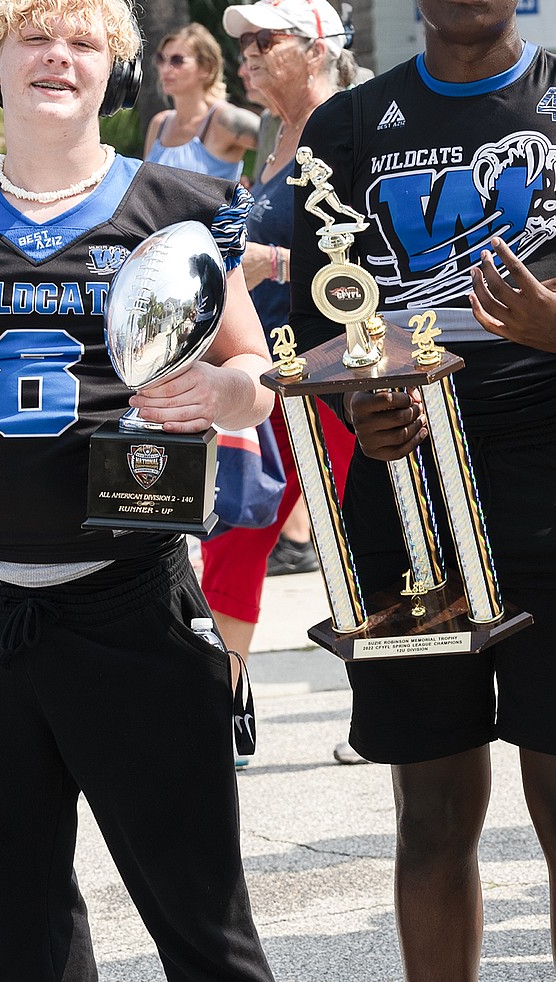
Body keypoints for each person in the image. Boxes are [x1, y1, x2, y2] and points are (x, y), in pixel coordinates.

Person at [0, 0, 292, 982]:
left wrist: (221, 393)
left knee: (196, 902)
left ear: (118, 70)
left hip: (131, 591)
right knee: (15, 911)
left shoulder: (177, 205)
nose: (60, 56)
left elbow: (260, 382)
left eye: (86, 41)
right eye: (36, 37)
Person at [288, 0, 556, 982]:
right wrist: (356, 405)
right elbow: (313, 329)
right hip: (403, 509)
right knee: (428, 815)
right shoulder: (341, 130)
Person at [201, 0, 359, 766]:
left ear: (319, 46)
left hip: (332, 373)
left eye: (266, 41)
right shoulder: (275, 139)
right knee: (235, 532)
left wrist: (274, 264)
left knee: (351, 542)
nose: (249, 55)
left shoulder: (350, 127)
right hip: (269, 370)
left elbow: (373, 264)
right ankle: (220, 704)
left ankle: (386, 709)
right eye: (245, 44)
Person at [143, 21, 260, 181]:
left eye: (177, 60)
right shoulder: (159, 123)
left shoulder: (223, 119)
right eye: (161, 59)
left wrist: (261, 186)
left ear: (207, 68)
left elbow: (280, 141)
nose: (165, 68)